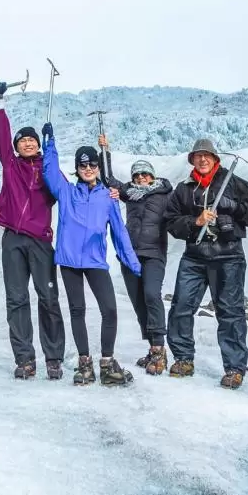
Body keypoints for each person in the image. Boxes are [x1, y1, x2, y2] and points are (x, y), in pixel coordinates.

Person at [41, 121, 140, 386]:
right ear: (77, 168)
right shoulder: (67, 192)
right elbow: (50, 172)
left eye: (92, 165)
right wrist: (49, 144)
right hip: (70, 260)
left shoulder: (108, 197)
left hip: (95, 261)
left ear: (98, 167)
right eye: (83, 165)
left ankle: (106, 363)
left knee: (110, 310)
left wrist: (133, 263)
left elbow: (119, 232)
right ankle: (85, 364)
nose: (88, 169)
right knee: (77, 310)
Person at [164, 138, 248, 389]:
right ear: (192, 160)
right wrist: (194, 222)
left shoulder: (232, 183)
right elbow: (171, 222)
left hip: (228, 255)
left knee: (230, 312)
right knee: (181, 307)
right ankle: (183, 358)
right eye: (197, 156)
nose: (202, 160)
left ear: (215, 159)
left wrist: (232, 206)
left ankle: (234, 368)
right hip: (195, 256)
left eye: (207, 155)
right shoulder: (184, 189)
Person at [0, 81, 65, 380]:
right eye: (23, 141)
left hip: (41, 241)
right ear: (17, 148)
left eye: (32, 140)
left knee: (48, 299)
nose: (28, 143)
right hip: (14, 240)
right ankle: (25, 359)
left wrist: (52, 147)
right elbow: (2, 137)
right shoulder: (11, 165)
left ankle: (54, 358)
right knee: (16, 299)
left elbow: (62, 191)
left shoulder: (47, 168)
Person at [98, 135, 173, 376]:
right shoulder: (128, 193)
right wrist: (104, 150)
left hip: (154, 253)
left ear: (153, 176)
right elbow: (106, 178)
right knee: (139, 300)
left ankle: (160, 348)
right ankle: (152, 347)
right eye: (137, 175)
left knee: (152, 295)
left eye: (145, 174)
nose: (141, 178)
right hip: (130, 255)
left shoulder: (164, 194)